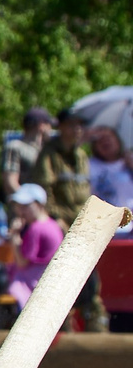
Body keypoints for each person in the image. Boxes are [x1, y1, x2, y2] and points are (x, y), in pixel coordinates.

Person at [32, 111, 108, 330]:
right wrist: (57, 220)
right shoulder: (49, 155)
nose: (77, 130)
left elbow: (86, 193)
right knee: (63, 282)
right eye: (72, 125)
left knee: (91, 283)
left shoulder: (82, 156)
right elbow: (43, 194)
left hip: (84, 227)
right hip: (61, 227)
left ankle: (98, 335)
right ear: (62, 127)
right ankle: (61, 331)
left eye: (80, 126)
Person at [8, 184, 64, 297]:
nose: (20, 211)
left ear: (39, 205)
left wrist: (14, 237)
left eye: (25, 206)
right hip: (50, 280)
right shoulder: (53, 224)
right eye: (18, 206)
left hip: (36, 283)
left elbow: (22, 263)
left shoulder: (36, 228)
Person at [1, 106, 55, 216]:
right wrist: (29, 205)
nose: (51, 129)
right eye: (49, 124)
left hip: (42, 211)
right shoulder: (15, 147)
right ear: (41, 126)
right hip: (23, 212)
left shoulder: (45, 150)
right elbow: (10, 182)